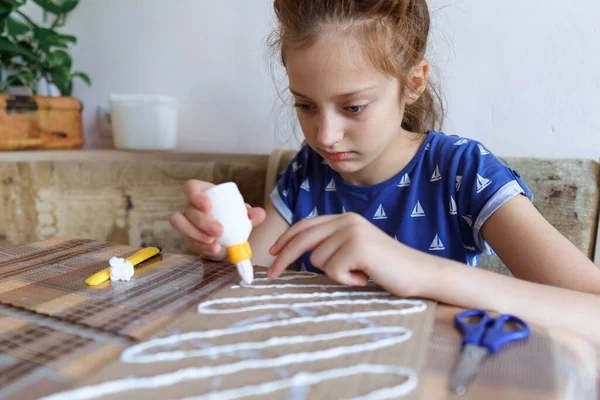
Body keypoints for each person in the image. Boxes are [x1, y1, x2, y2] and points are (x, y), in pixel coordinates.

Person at [170, 0, 600, 342]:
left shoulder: (462, 172)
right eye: (305, 105)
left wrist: (415, 269)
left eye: (353, 107)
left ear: (413, 83)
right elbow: (248, 285)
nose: (326, 135)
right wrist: (222, 244)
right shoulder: (309, 170)